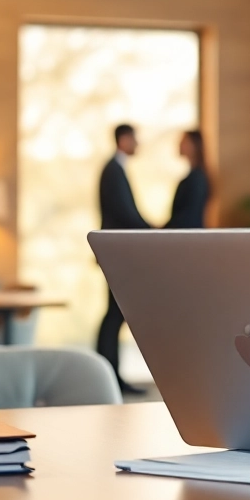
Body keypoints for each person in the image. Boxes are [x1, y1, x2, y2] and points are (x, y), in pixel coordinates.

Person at [96, 123, 150, 396]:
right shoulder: (113, 170)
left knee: (114, 313)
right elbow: (125, 213)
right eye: (135, 139)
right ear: (124, 139)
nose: (138, 144)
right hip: (116, 251)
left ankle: (109, 375)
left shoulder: (116, 169)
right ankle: (108, 376)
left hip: (116, 251)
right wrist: (153, 231)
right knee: (115, 314)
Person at [165, 130, 211, 229]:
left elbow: (189, 216)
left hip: (189, 234)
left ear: (194, 146)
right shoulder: (194, 177)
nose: (179, 144)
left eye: (184, 141)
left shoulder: (197, 179)